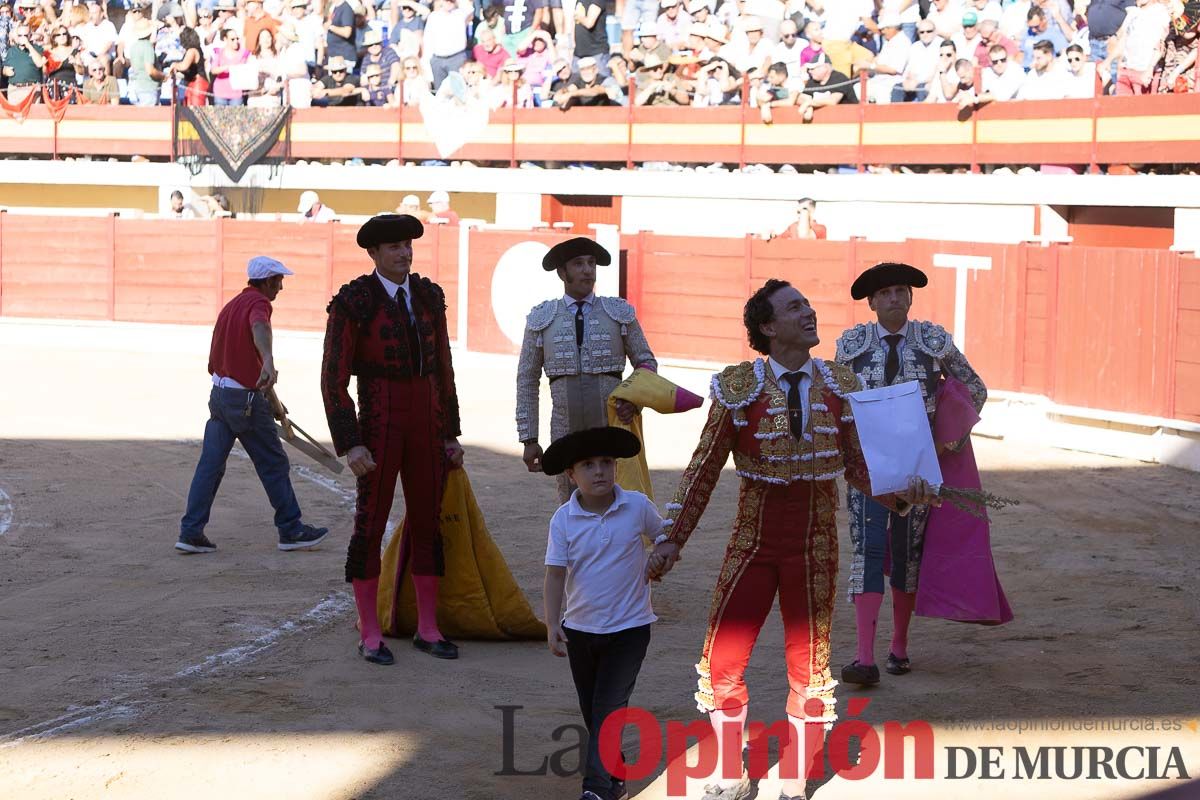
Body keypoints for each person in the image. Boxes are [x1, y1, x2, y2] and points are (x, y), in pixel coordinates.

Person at [649, 279, 939, 800]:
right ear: (768, 327)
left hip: (816, 543)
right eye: (794, 307)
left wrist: (905, 495)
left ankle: (796, 773)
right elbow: (702, 469)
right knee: (723, 658)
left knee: (811, 662)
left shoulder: (839, 383)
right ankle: (728, 766)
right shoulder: (739, 387)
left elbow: (860, 468)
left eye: (807, 303)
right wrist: (673, 538)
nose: (809, 312)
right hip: (753, 541)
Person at [321, 214, 465, 665]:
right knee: (370, 521)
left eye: (408, 245)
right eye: (395, 247)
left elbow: (442, 367)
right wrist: (351, 442)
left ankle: (427, 627)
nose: (405, 253)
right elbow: (333, 378)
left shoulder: (427, 297)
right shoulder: (354, 301)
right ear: (374, 255)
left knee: (428, 521)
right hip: (380, 418)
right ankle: (370, 633)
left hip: (425, 417)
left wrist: (449, 434)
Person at [834, 262, 987, 686]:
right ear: (871, 303)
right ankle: (864, 658)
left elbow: (975, 388)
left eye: (901, 290)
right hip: (869, 468)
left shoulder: (933, 341)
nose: (894, 298)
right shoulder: (850, 345)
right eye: (884, 293)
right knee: (868, 552)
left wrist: (943, 445)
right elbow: (837, 400)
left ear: (911, 297)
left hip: (920, 470)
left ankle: (898, 647)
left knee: (906, 554)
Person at [177, 256, 330, 555]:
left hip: (219, 397)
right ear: (268, 281)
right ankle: (291, 529)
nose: (281, 287)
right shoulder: (259, 304)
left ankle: (190, 531)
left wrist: (271, 398)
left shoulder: (231, 305)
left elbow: (236, 358)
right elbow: (260, 329)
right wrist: (270, 360)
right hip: (244, 401)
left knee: (210, 466)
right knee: (273, 463)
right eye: (279, 281)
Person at [542, 426, 661, 800]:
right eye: (588, 465)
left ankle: (595, 790)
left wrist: (663, 553)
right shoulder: (563, 519)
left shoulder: (638, 506)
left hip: (630, 629)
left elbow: (665, 535)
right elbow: (555, 573)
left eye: (606, 462)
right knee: (595, 714)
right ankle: (617, 778)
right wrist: (551, 624)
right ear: (571, 474)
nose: (599, 471)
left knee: (608, 711)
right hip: (580, 630)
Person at [516, 237, 656, 504]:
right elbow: (527, 379)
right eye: (578, 264)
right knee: (571, 504)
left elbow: (646, 362)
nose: (587, 270)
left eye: (591, 264)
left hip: (612, 424)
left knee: (617, 498)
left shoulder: (618, 312)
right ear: (562, 272)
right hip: (565, 427)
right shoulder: (542, 318)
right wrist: (529, 438)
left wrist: (635, 400)